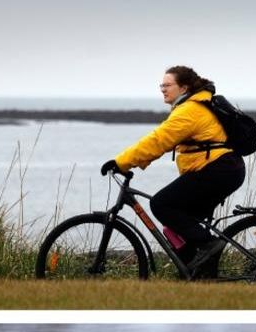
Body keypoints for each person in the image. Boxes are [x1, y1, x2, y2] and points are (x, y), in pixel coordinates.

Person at [102, 65, 244, 279]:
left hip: (219, 170)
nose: (163, 89)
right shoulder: (190, 106)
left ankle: (209, 245)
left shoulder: (190, 111)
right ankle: (196, 273)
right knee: (177, 222)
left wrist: (121, 162)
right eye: (162, 85)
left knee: (161, 204)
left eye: (167, 85)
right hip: (223, 169)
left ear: (184, 87)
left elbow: (158, 141)